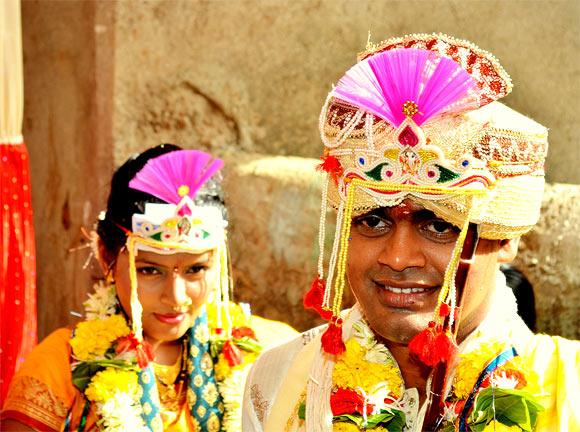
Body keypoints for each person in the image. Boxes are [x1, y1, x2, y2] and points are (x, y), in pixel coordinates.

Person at [242, 33, 579, 431]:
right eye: (372, 220)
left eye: (438, 225)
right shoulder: (278, 378)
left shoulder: (569, 390)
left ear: (504, 238)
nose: (397, 258)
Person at [1, 144, 296, 431]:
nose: (176, 297)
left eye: (196, 269)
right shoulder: (61, 367)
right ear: (106, 255)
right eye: (150, 270)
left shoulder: (268, 353)